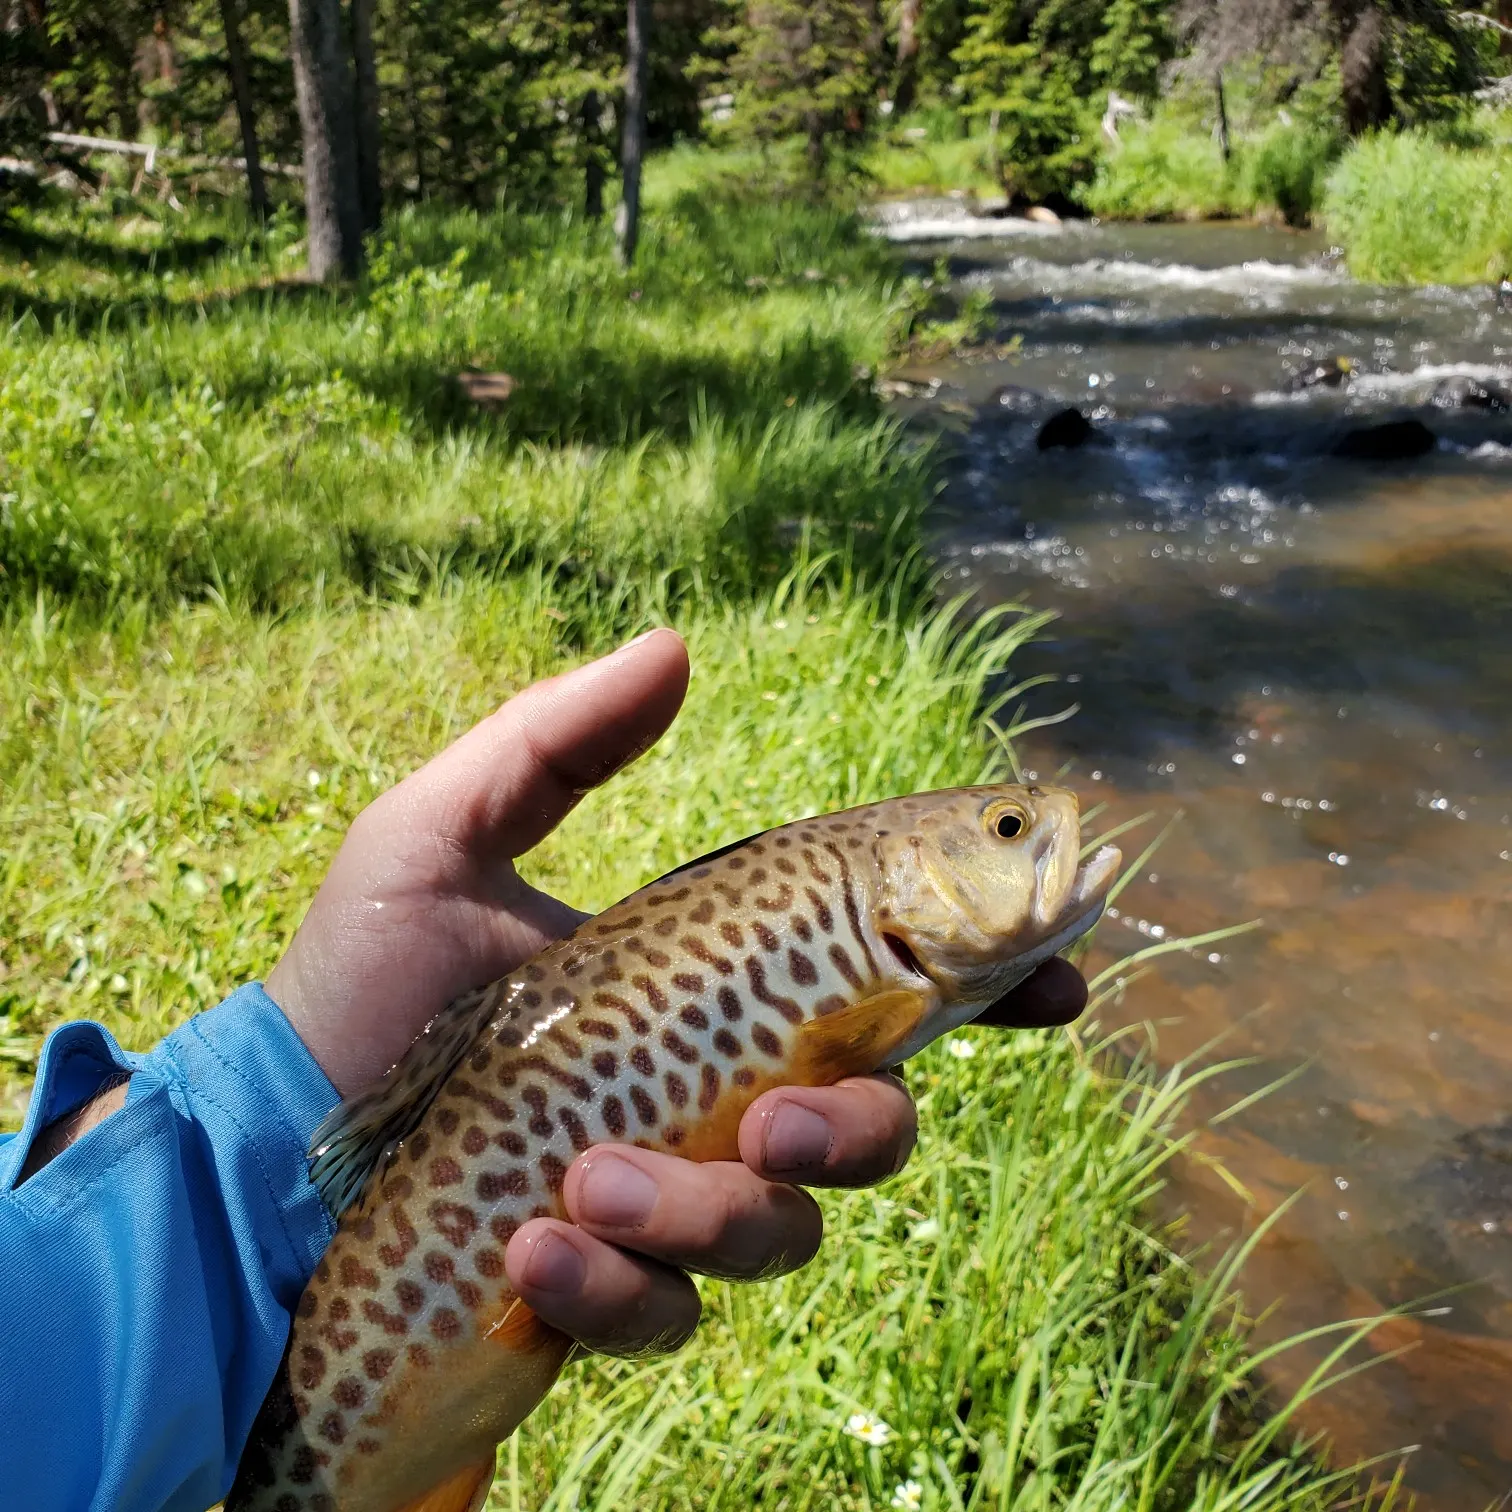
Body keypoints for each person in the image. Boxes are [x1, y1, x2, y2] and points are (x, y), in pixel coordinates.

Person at [0, 628, 1086, 1512]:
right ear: (899, 890)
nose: (1036, 837)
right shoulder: (888, 972)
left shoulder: (895, 953)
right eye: (1006, 827)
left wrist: (284, 1101)